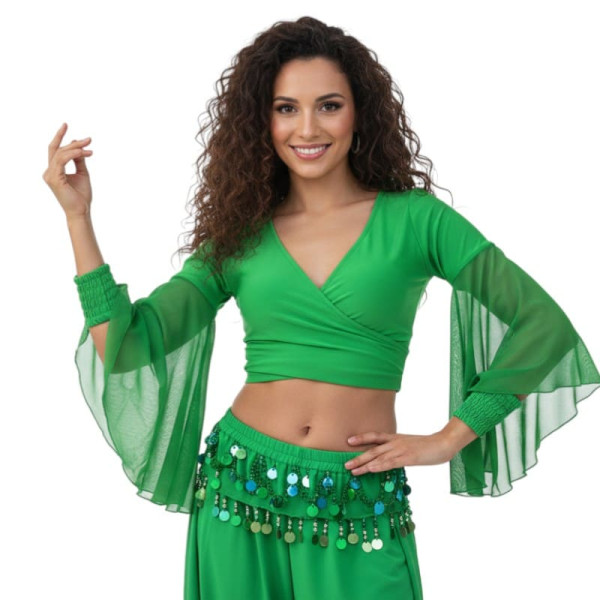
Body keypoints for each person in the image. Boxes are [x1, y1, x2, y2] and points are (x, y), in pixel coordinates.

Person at [44, 16, 600, 600]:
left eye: (328, 106)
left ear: (360, 114)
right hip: (240, 488)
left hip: (358, 500)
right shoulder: (238, 235)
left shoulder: (419, 221)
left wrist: (449, 438)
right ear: (261, 120)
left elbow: (544, 324)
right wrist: (78, 218)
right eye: (286, 108)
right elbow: (125, 347)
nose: (307, 128)